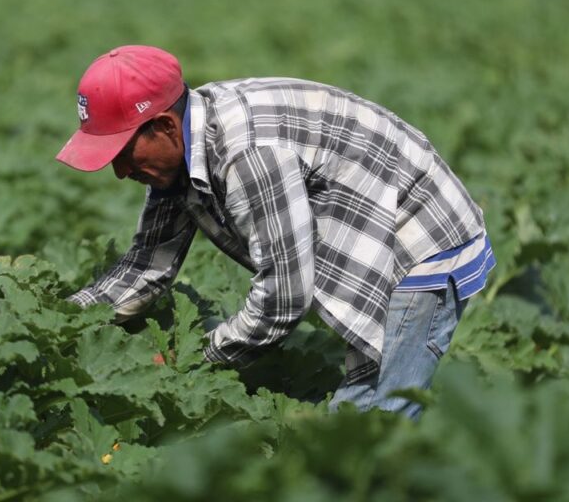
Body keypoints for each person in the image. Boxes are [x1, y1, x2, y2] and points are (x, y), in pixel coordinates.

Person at [57, 45, 494, 419]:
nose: (119, 171)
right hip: (365, 231)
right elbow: (144, 268)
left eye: (122, 150)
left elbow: (284, 298)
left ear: (166, 127)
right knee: (353, 426)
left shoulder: (248, 154)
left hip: (421, 239)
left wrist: (191, 359)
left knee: (377, 423)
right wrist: (57, 326)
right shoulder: (183, 152)